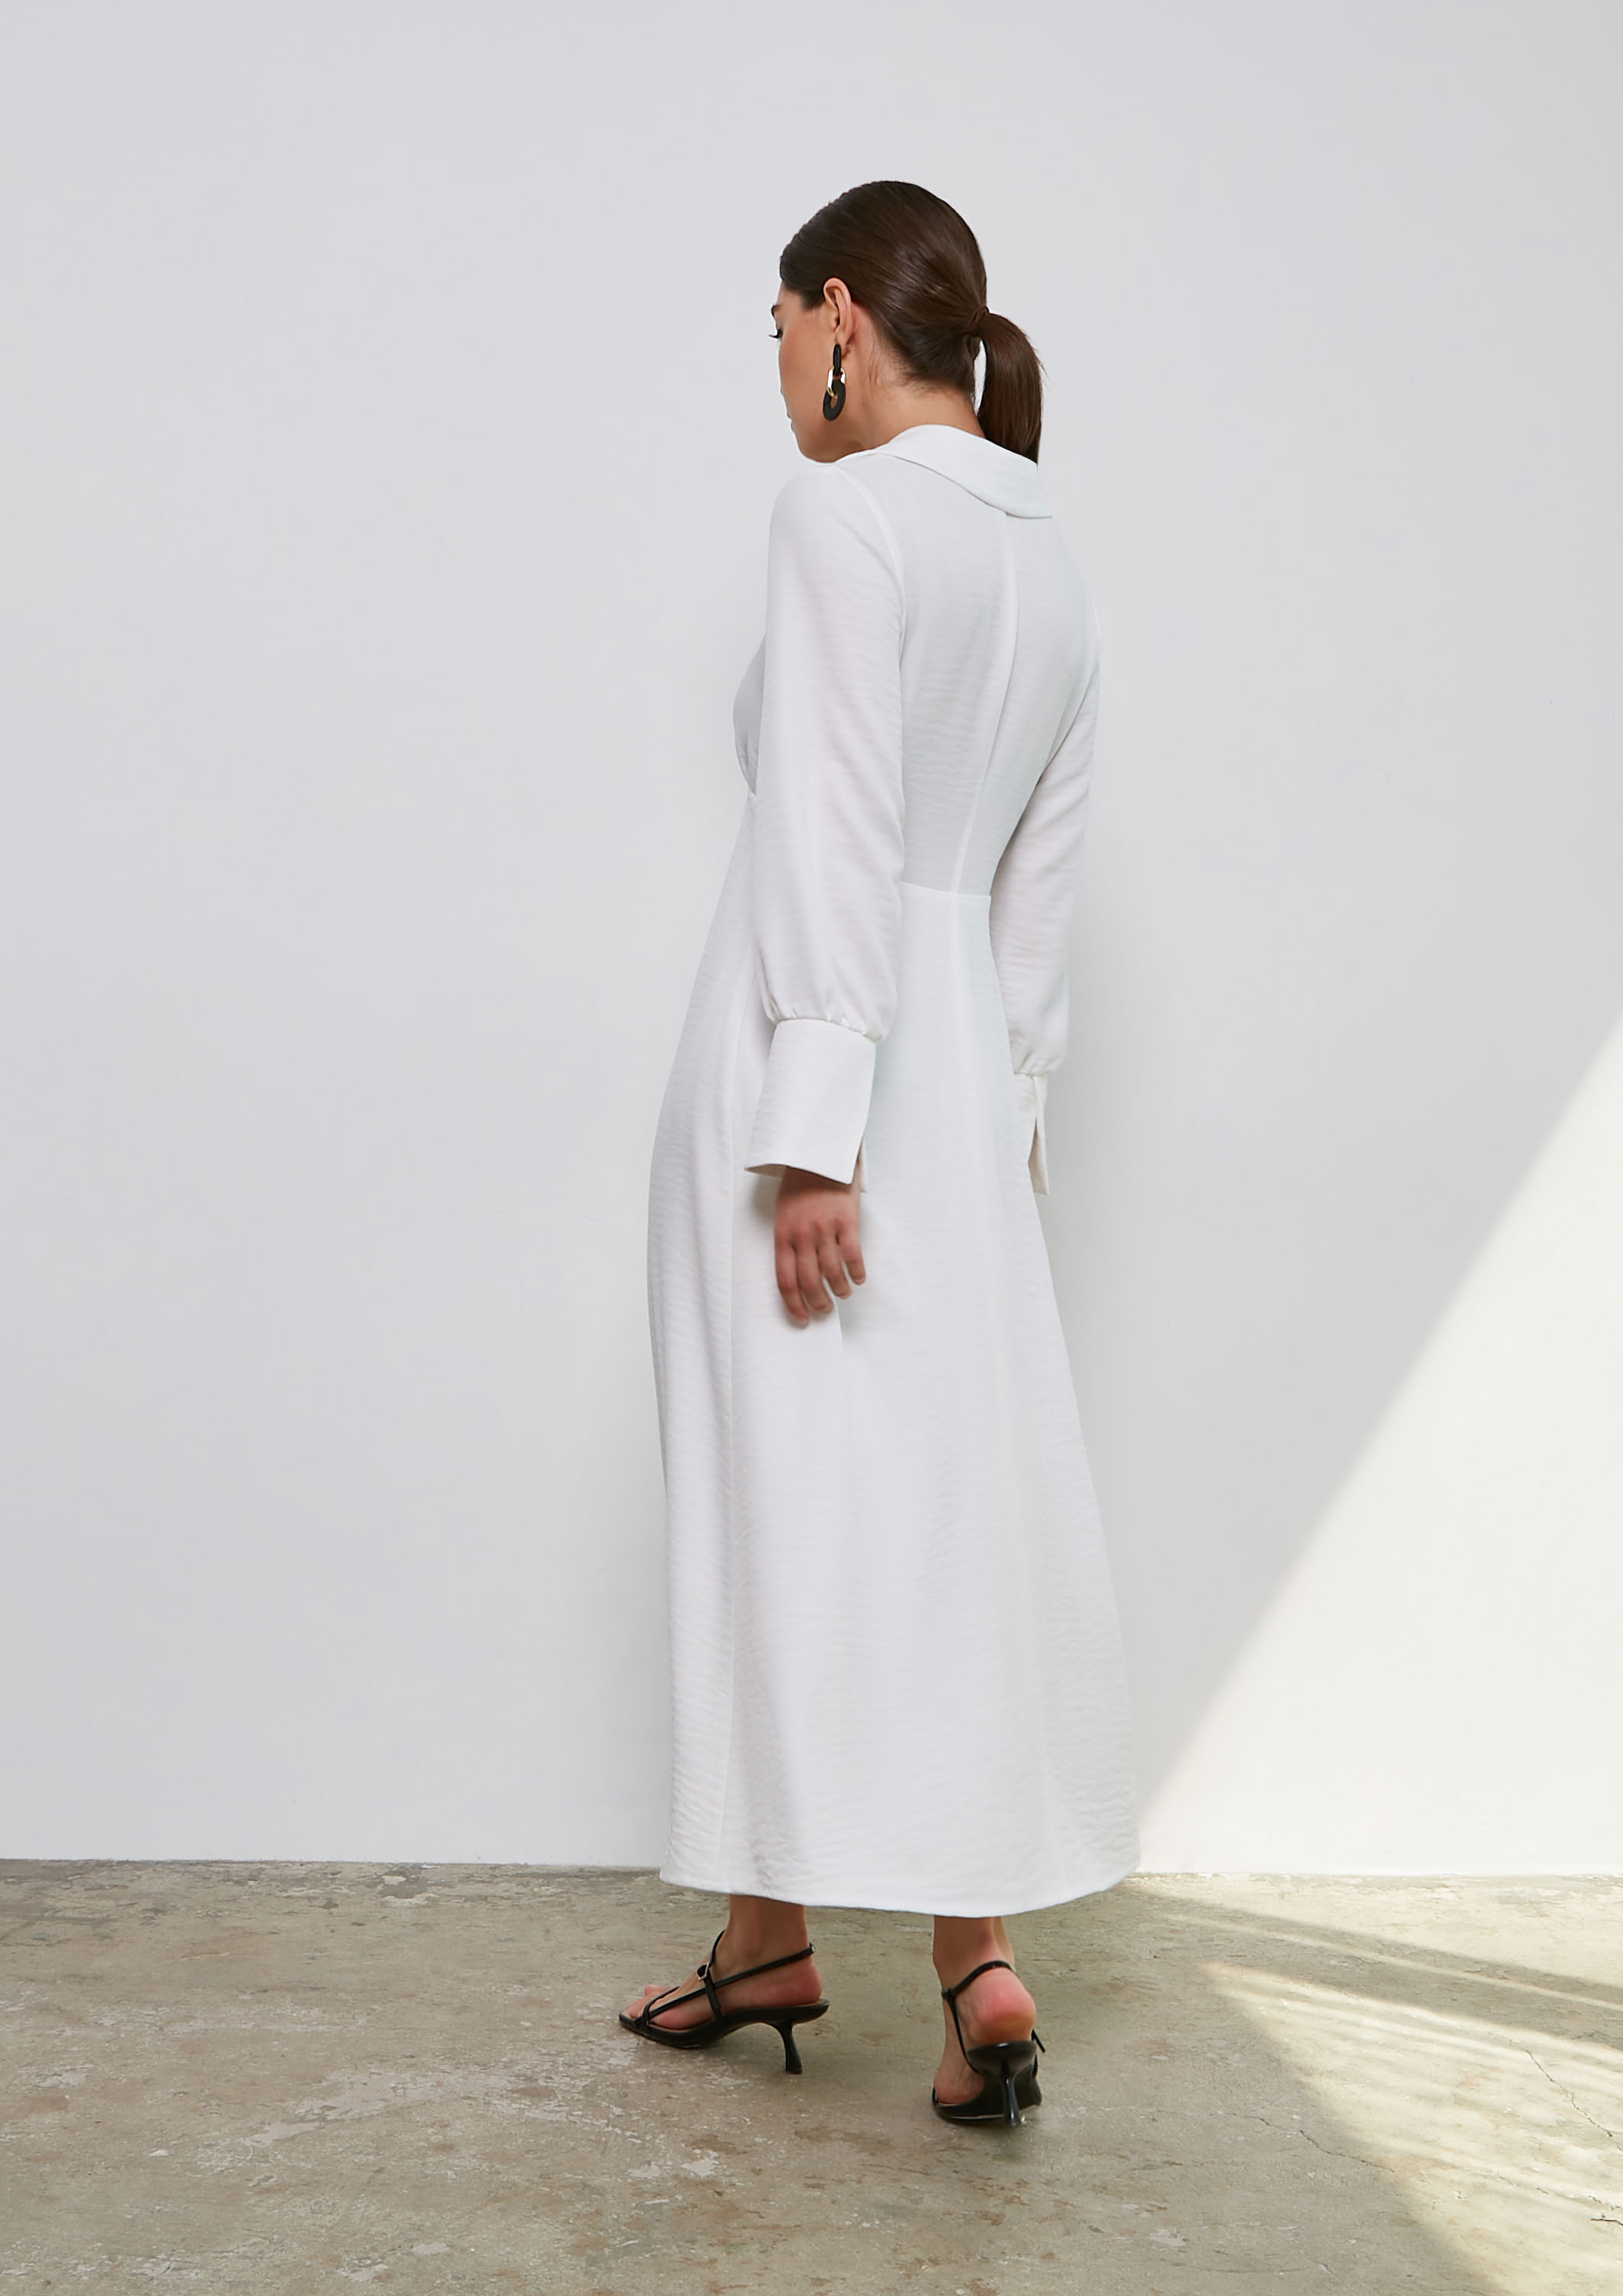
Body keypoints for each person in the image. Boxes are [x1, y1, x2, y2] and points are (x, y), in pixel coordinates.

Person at [623, 181, 1139, 2126]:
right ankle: (943, 1958)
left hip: (806, 1082)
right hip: (958, 1098)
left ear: (839, 314)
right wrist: (997, 1118)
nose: (772, 369)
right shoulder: (1046, 549)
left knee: (785, 1503)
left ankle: (790, 1937)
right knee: (942, 1509)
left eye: (774, 329)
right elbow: (1035, 896)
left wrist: (816, 1134)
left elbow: (829, 818)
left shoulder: (838, 516)